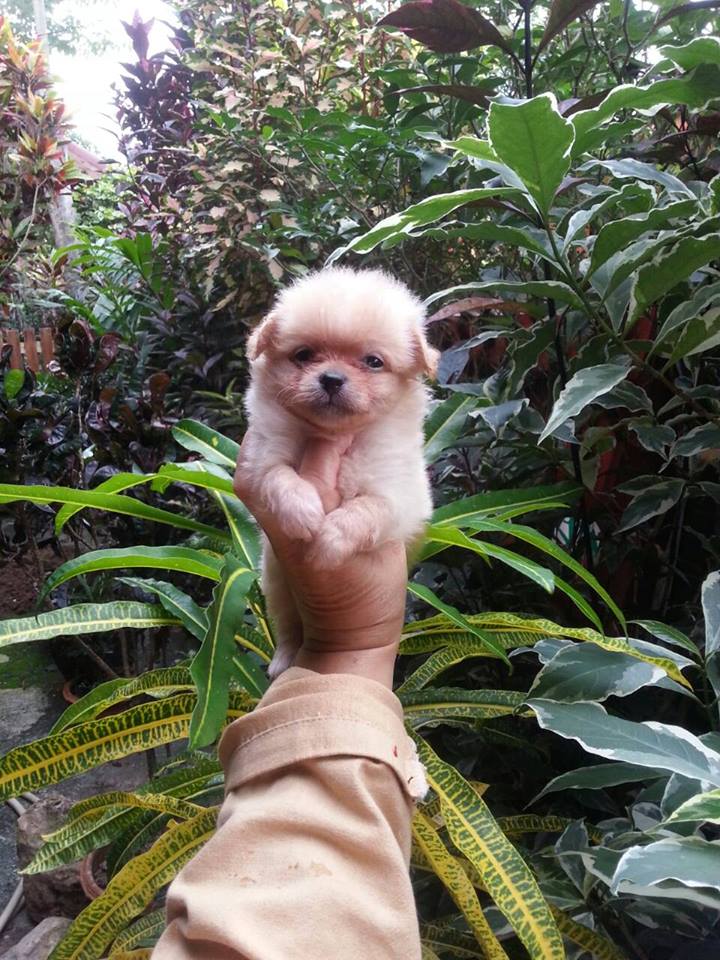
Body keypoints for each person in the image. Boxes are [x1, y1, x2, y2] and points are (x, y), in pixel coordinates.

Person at [151, 435, 426, 959]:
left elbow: (407, 504)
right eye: (302, 354)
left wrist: (347, 641)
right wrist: (354, 643)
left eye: (371, 366)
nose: (332, 388)